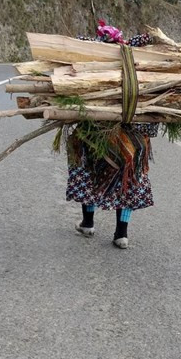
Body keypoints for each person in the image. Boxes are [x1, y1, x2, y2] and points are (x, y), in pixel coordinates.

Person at [67, 21, 159, 249]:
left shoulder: (98, 61)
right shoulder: (143, 66)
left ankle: (88, 223)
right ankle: (121, 233)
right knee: (129, 177)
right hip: (134, 135)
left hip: (98, 130)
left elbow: (77, 43)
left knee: (88, 169)